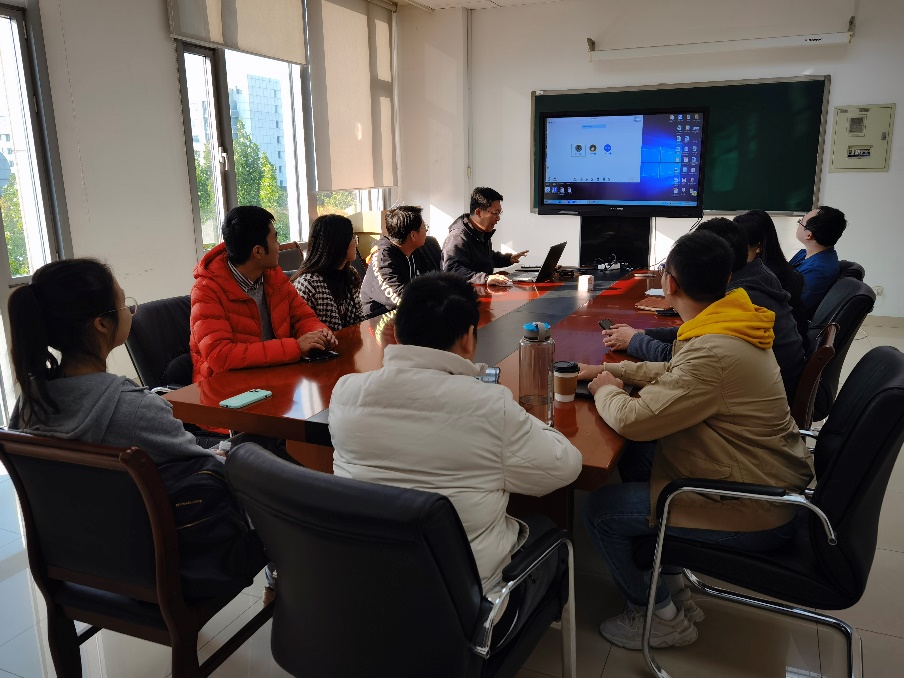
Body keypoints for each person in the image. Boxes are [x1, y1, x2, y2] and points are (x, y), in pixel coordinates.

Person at [578, 230, 813, 650]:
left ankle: (660, 619)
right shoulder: (731, 324)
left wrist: (604, 390)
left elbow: (633, 421)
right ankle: (672, 583)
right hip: (757, 476)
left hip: (751, 505)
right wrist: (608, 370)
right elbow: (678, 372)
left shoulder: (714, 350)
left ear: (669, 282)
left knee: (600, 510)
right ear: (728, 279)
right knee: (640, 459)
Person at [330, 273, 582, 638]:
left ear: (395, 333)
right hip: (464, 616)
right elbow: (565, 465)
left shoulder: (345, 392)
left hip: (363, 593)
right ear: (468, 338)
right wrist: (517, 416)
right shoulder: (488, 406)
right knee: (548, 531)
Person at [6, 259, 267, 597]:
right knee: (266, 465)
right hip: (161, 570)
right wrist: (231, 452)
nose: (131, 311)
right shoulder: (133, 408)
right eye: (124, 304)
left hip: (82, 565)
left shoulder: (29, 405)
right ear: (102, 324)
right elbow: (204, 464)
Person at [601, 218, 805, 401]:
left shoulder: (746, 298)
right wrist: (645, 334)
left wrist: (634, 341)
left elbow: (685, 361)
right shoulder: (750, 278)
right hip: (765, 391)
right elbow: (698, 335)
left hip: (761, 400)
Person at [190, 206, 335, 380]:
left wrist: (319, 333)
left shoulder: (274, 276)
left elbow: (303, 318)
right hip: (226, 385)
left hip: (275, 374)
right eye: (275, 239)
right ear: (258, 251)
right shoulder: (206, 291)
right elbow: (221, 356)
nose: (279, 246)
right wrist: (295, 347)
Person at [360, 205, 440, 317]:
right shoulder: (382, 259)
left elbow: (433, 278)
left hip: (405, 312)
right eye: (424, 227)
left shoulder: (414, 250)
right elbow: (399, 297)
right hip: (378, 318)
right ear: (413, 235)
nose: (426, 231)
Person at [291, 213, 365, 331]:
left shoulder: (350, 274)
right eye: (352, 238)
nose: (356, 242)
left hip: (351, 340)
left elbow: (359, 320)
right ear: (339, 243)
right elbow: (302, 333)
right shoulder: (307, 285)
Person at [442, 187, 528, 286]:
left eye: (499, 213)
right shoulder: (458, 237)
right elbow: (452, 269)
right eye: (495, 213)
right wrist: (485, 278)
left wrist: (508, 259)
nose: (498, 218)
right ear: (479, 212)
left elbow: (485, 258)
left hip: (481, 289)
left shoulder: (480, 231)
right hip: (466, 292)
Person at [789, 206, 847, 317]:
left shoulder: (818, 270)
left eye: (800, 222)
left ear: (808, 234)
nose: (798, 224)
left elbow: (791, 306)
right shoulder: (805, 254)